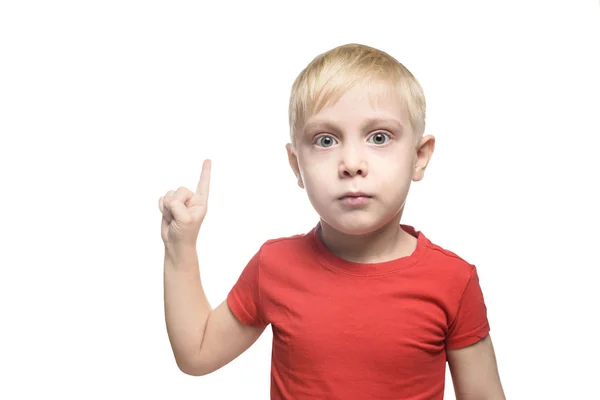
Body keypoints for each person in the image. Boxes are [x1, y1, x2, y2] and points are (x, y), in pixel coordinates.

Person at [159, 43, 506, 399]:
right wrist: (179, 247)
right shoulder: (274, 266)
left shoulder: (452, 281)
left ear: (419, 157)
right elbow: (197, 353)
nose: (351, 162)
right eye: (326, 140)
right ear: (297, 166)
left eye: (379, 137)